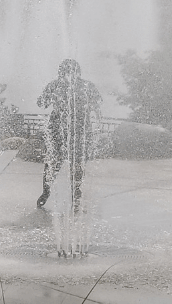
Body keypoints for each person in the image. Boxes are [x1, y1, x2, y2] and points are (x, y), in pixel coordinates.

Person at [36, 59, 102, 210]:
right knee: (72, 164)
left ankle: (49, 194)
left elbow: (41, 103)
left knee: (55, 163)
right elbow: (97, 107)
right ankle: (72, 199)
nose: (68, 75)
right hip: (74, 130)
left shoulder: (57, 85)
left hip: (67, 129)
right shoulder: (84, 86)